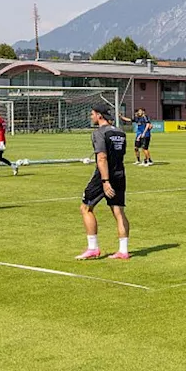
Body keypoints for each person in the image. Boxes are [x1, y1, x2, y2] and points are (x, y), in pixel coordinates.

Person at [77, 106, 130, 260]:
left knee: (86, 207)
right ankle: (123, 251)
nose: (90, 116)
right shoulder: (121, 132)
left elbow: (102, 158)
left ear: (99, 116)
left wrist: (105, 181)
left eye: (92, 114)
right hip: (120, 173)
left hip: (104, 174)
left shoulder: (99, 133)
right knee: (118, 211)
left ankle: (93, 248)